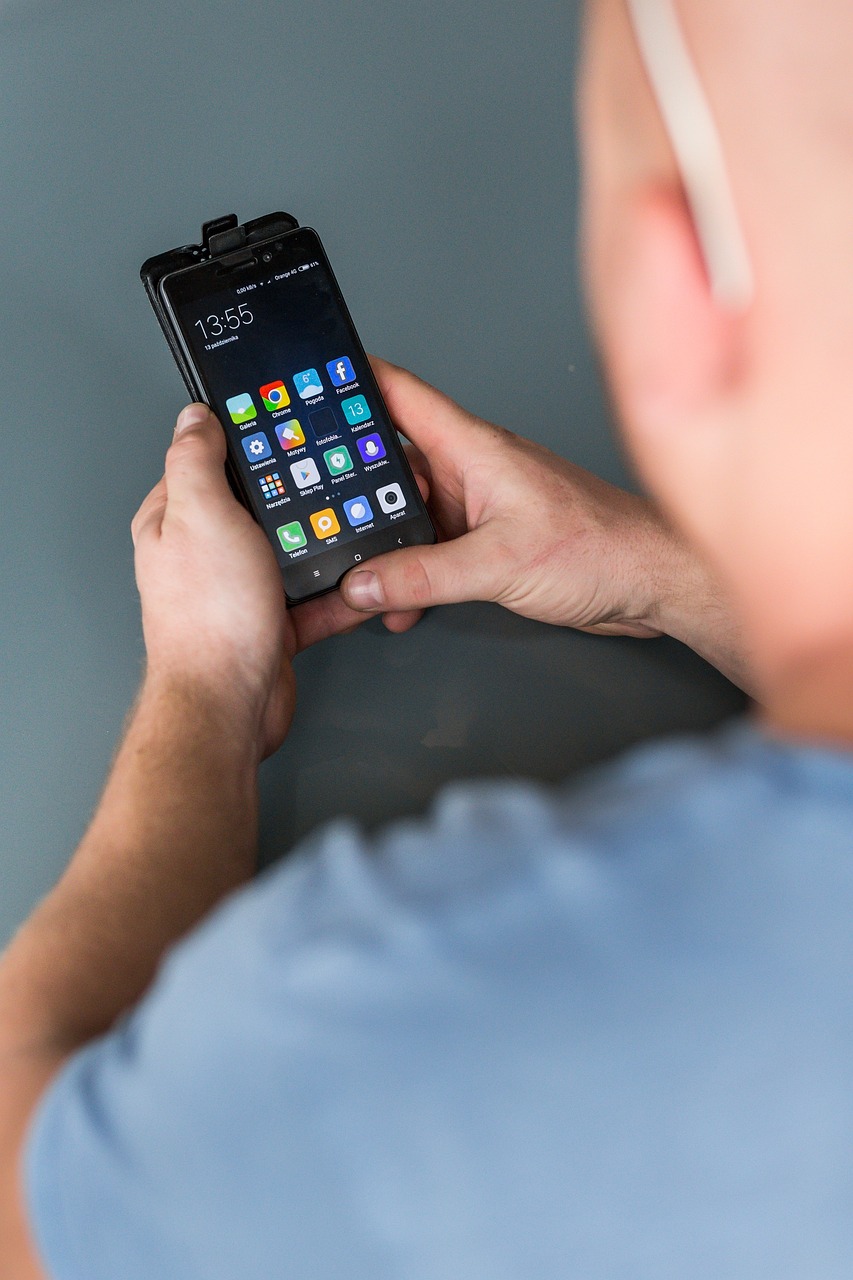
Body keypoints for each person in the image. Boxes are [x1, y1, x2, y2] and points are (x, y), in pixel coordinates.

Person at [3, 0, 853, 1273]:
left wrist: (208, 684)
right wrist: (658, 579)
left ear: (678, 283)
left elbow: (26, 1188)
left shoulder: (423, 992)